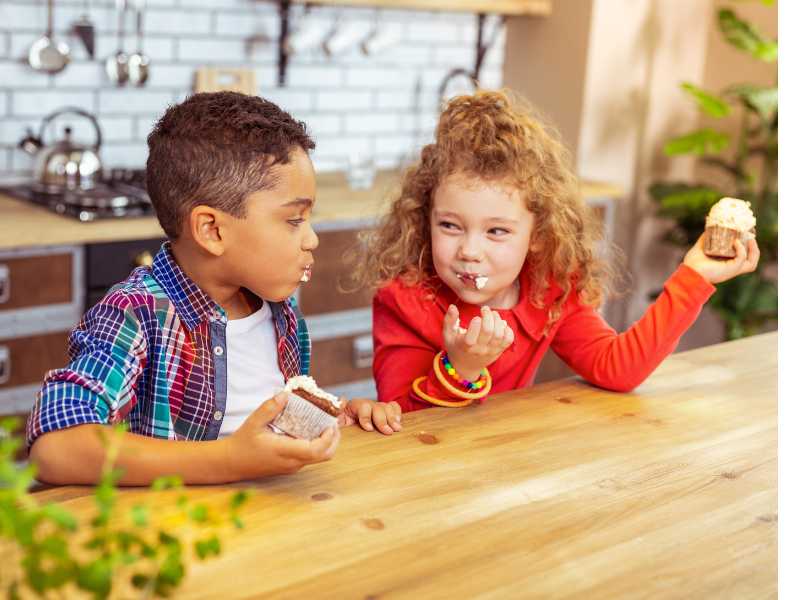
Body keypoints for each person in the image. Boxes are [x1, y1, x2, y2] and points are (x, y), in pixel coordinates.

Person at [27, 92, 401, 485]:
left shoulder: (277, 308)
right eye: (294, 220)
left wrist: (337, 410)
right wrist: (229, 459)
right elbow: (55, 445)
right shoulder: (136, 312)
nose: (312, 240)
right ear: (212, 230)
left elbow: (258, 409)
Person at [352, 89, 759, 411]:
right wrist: (462, 368)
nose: (469, 251)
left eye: (496, 231)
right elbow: (399, 420)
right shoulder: (404, 302)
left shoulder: (551, 292)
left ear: (539, 235)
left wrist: (694, 277)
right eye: (450, 226)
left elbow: (617, 369)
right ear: (425, 221)